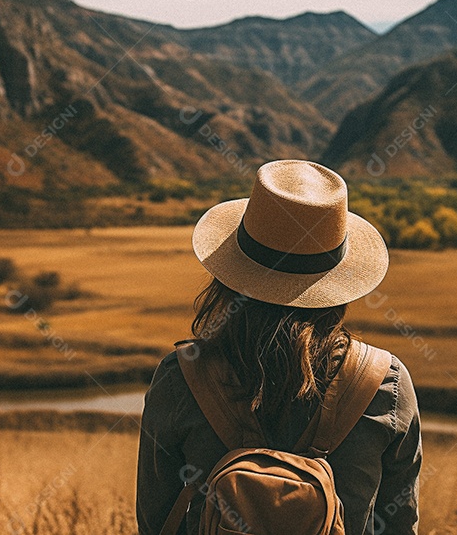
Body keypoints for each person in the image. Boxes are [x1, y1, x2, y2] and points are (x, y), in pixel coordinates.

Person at [136, 159, 421, 535]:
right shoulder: (385, 383)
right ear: (336, 284)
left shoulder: (181, 376)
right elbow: (400, 526)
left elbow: (154, 523)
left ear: (231, 277)